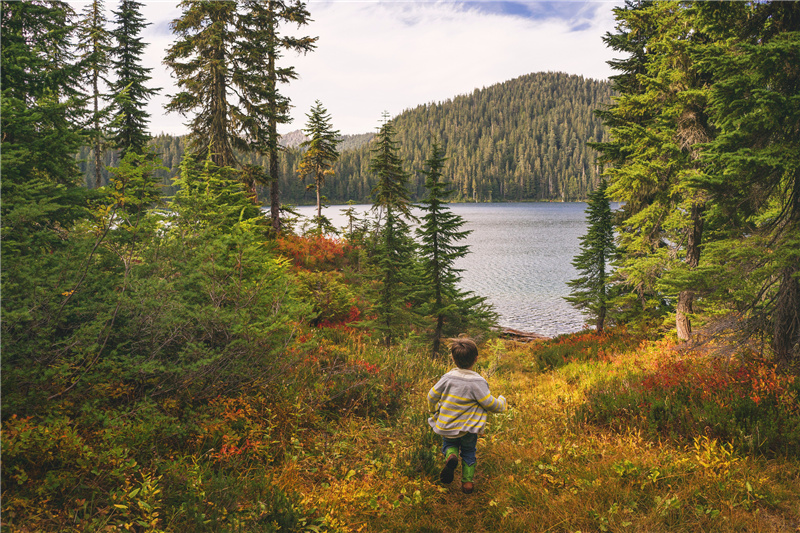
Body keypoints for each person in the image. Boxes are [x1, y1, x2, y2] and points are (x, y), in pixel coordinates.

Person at [427, 338, 507, 494]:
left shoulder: (447, 378)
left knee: (449, 445)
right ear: (476, 359)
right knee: (469, 451)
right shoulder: (478, 381)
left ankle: (451, 456)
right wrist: (502, 402)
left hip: (448, 425)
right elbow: (489, 403)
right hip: (469, 429)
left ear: (452, 358)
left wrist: (434, 410)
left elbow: (431, 396)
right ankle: (467, 482)